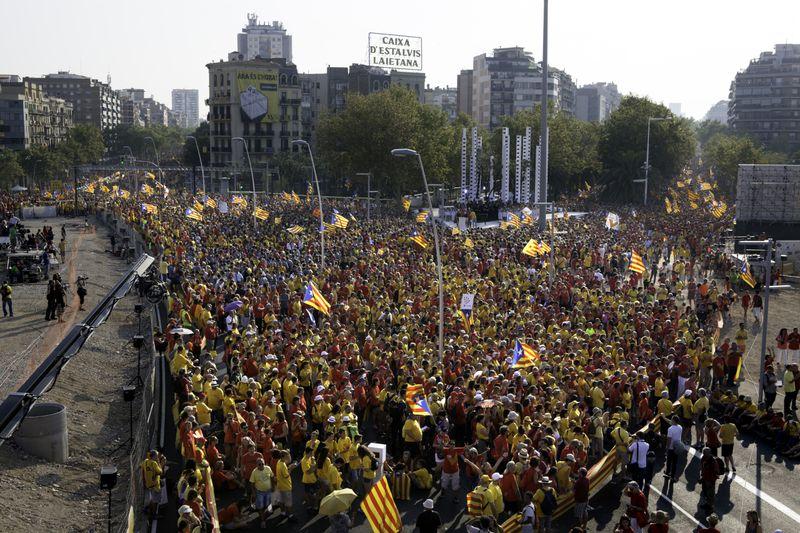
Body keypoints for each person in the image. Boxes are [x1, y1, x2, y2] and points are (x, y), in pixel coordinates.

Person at [249, 457, 273, 528]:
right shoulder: (254, 472)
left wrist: (273, 487)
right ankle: (263, 521)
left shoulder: (268, 468)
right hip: (260, 492)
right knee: (261, 507)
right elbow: (252, 483)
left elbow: (271, 477)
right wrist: (253, 493)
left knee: (268, 504)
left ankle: (267, 509)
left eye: (263, 463)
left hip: (268, 491)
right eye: (259, 464)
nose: (262, 465)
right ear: (256, 465)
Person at [664, 417, 683, 482]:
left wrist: (667, 447)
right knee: (675, 462)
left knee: (669, 461)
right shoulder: (680, 427)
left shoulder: (670, 429)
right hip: (677, 447)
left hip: (671, 448)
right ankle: (672, 476)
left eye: (672, 419)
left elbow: (669, 439)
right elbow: (670, 422)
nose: (671, 420)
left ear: (674, 421)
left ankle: (667, 472)